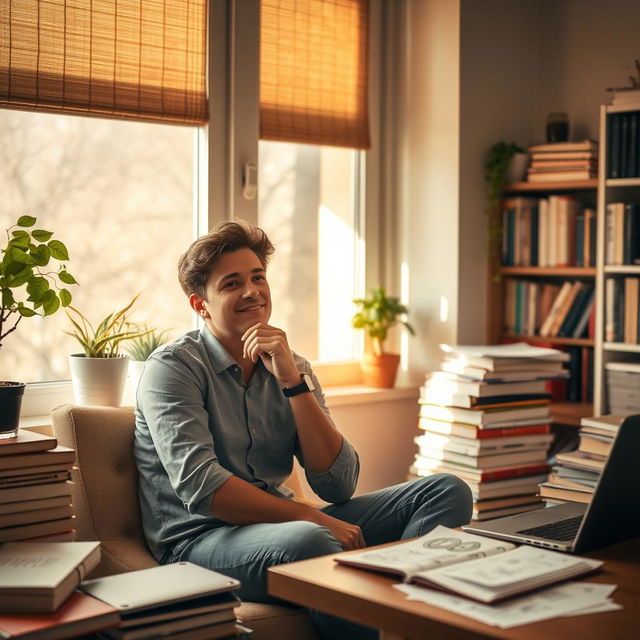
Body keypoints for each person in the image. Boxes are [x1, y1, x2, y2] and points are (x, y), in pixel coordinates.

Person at [134, 220, 472, 639]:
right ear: (200, 304)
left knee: (447, 490)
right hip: (199, 541)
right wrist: (310, 517)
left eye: (258, 277)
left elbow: (339, 485)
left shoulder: (292, 366)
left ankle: (404, 616)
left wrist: (293, 384)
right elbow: (205, 489)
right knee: (311, 541)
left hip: (280, 527)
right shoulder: (173, 368)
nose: (252, 291)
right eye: (232, 283)